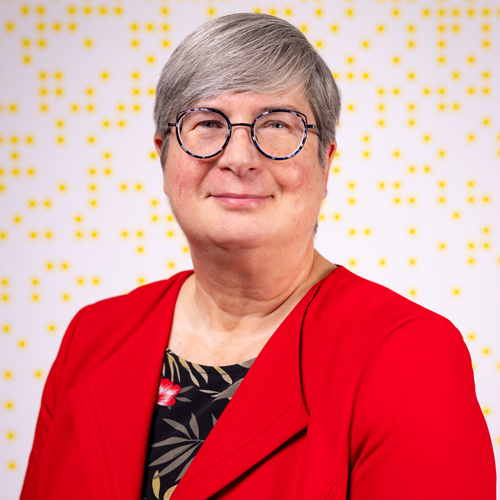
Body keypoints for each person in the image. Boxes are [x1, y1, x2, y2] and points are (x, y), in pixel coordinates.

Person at [21, 13, 496, 500]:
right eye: (207, 123)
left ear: (326, 162)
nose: (240, 157)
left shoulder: (411, 357)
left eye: (276, 125)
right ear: (164, 156)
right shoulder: (93, 338)